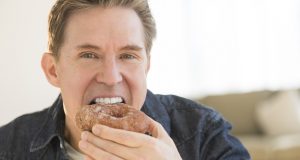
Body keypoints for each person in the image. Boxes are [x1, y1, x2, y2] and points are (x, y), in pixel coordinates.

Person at [0, 0, 250, 159]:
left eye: (128, 55)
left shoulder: (204, 133)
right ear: (53, 70)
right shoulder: (8, 146)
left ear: (146, 66)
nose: (111, 77)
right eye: (89, 55)